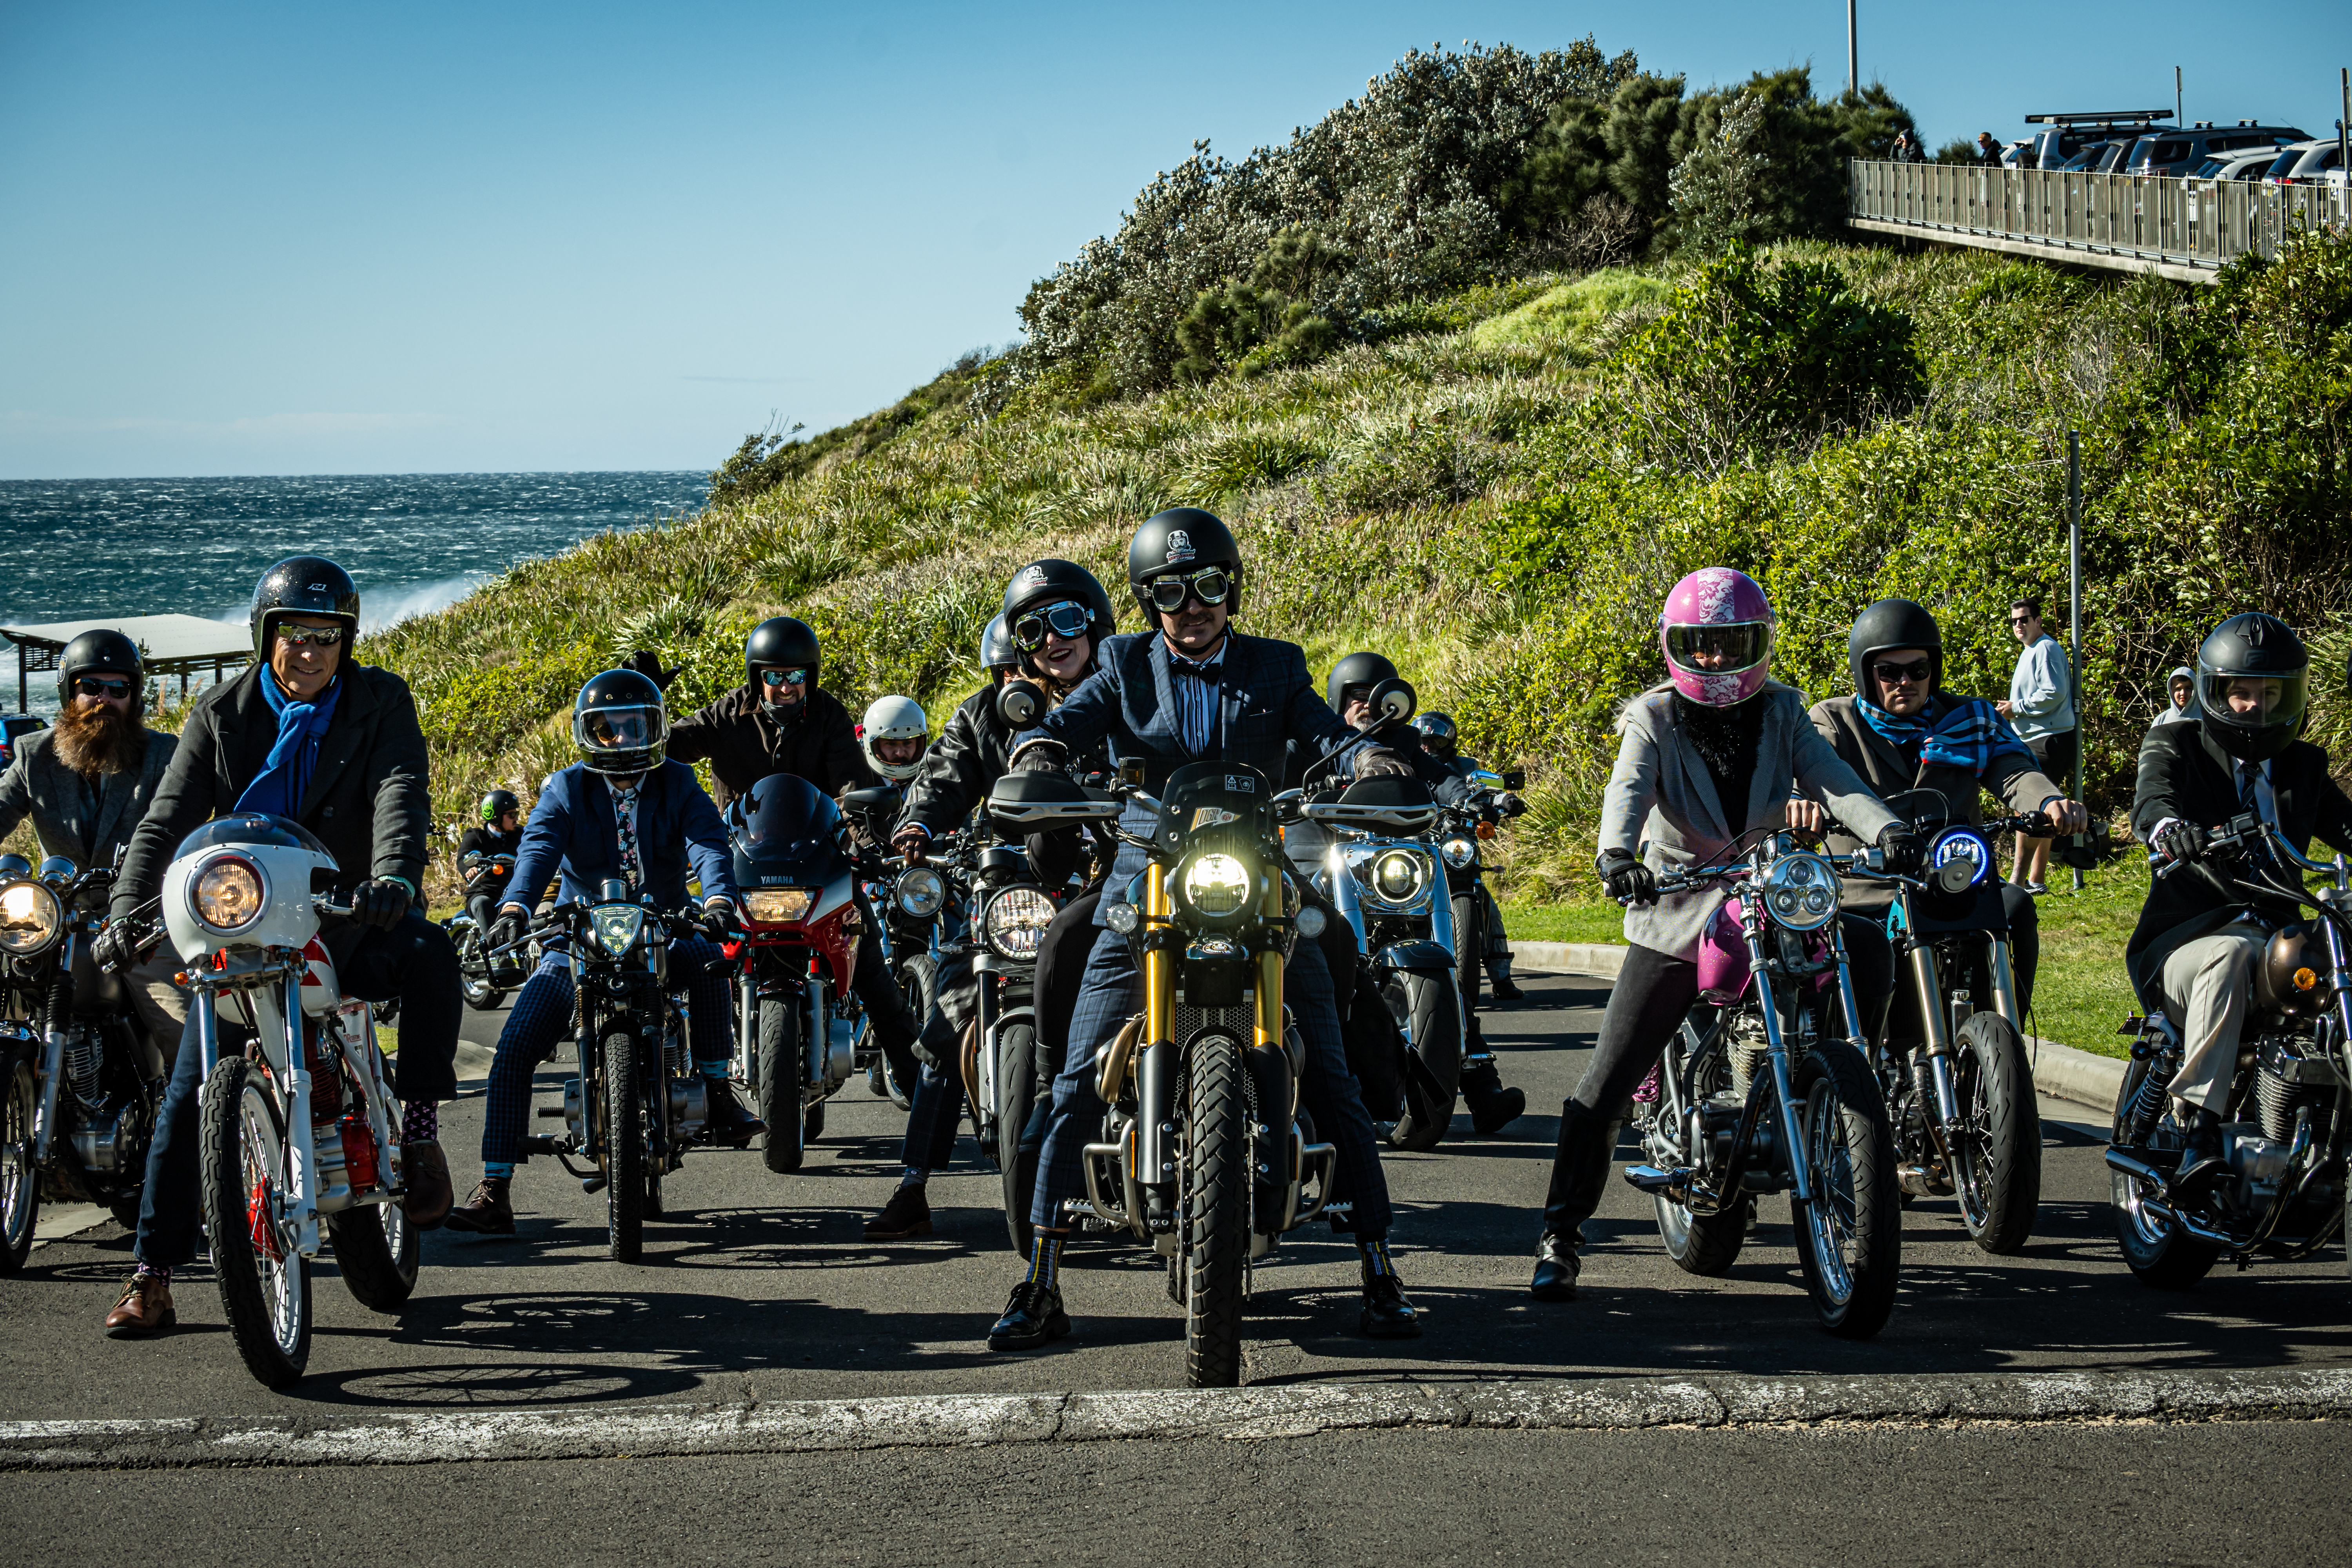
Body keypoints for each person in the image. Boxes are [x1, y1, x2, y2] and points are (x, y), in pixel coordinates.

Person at [985, 508, 1425, 1352]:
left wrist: (1370, 759)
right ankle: (1038, 1279)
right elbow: (1068, 721)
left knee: (1332, 1075)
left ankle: (1379, 1266)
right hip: (1144, 878)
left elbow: (1325, 735)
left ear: (1233, 589)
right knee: (1075, 1082)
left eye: (1210, 587)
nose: (1193, 607)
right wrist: (1040, 752)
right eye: (1172, 592)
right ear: (1149, 600)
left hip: (1256, 876)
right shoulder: (1119, 663)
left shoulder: (1276, 664)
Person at [1525, 567, 1914, 1304]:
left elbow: (1834, 780)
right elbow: (1628, 789)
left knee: (1865, 946)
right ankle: (1561, 1234)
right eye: (1699, 646)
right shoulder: (1653, 717)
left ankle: (1831, 1083)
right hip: (1677, 903)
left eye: (1730, 644)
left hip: (1770, 894)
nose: (1715, 661)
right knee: (1609, 1076)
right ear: (1677, 648)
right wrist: (1616, 856)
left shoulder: (1784, 712)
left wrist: (1887, 827)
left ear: (1758, 644)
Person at [93, 557, 460, 1338]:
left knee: (432, 956)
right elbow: (165, 819)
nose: (310, 652)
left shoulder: (380, 701)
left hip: (347, 909)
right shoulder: (220, 714)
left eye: (327, 637)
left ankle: (421, 1136)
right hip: (243, 915)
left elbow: (401, 789)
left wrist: (393, 875)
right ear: (267, 638)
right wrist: (126, 908)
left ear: (346, 643)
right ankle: (152, 1275)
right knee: (193, 1089)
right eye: (295, 634)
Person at [445, 669, 749, 1234]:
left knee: (712, 964)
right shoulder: (565, 788)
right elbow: (536, 851)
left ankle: (717, 1089)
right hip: (577, 940)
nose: (624, 741)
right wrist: (514, 910)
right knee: (513, 1049)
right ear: (590, 735)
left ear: (654, 728)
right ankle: (495, 1186)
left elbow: (708, 842)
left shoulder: (679, 781)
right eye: (609, 730)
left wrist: (719, 901)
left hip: (664, 928)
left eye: (635, 727)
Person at [867, 560, 1118, 1241]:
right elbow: (947, 773)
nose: (1050, 644)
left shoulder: (1127, 691)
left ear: (1094, 620)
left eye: (1066, 621)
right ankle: (915, 1181)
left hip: (1104, 880)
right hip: (1012, 884)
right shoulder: (989, 713)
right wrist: (918, 820)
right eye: (1033, 631)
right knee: (951, 1010)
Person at [2131, 613, 2352, 1193]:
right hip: (2188, 938)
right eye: (2243, 693)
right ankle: (2202, 1132)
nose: (2256, 706)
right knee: (2230, 953)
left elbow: (2346, 825)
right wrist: (2169, 830)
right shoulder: (2175, 742)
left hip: (2277, 942)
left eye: (2270, 693)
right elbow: (2153, 799)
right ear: (2217, 693)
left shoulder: (2304, 765)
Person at [1805, 598, 2089, 1034]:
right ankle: (1857, 1059)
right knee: (1853, 957)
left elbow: (2015, 769)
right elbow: (1810, 767)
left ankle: (2003, 1038)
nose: (1906, 682)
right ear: (1867, 675)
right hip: (1868, 892)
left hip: (1954, 885)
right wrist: (1799, 801)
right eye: (1889, 672)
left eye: (1918, 670)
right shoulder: (1834, 721)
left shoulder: (1968, 720)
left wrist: (2050, 802)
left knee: (2014, 906)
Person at [664, 616, 922, 1084]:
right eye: (776, 677)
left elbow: (848, 787)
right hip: (741, 861)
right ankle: (701, 1082)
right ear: (757, 676)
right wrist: (648, 703)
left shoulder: (829, 716)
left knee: (869, 969)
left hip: (816, 860)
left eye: (797, 676)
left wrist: (866, 843)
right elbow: (673, 743)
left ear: (812, 676)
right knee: (694, 961)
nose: (786, 687)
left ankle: (923, 1090)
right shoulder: (728, 714)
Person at [1296, 658, 1528, 1138]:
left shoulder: (1402, 743)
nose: (1368, 704)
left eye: (1377, 694)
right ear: (1340, 699)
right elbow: (1284, 777)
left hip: (1392, 870)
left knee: (1438, 971)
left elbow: (1439, 774)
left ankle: (1482, 1092)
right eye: (1358, 695)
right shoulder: (1313, 743)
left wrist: (1471, 796)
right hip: (1324, 858)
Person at [0, 630, 187, 1053]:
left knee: (182, 1031)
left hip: (142, 928)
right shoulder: (35, 755)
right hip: (52, 926)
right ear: (70, 693)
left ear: (134, 696)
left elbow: (185, 823)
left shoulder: (163, 755)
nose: (104, 699)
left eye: (118, 688)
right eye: (91, 687)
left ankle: (197, 1114)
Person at [1413, 710, 1525, 1002]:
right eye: (1423, 742)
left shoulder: (1464, 768)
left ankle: (1502, 978)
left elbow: (1485, 790)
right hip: (1418, 848)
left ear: (1448, 743)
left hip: (1456, 846)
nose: (1428, 748)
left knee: (1486, 904)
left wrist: (1505, 800)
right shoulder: (1407, 766)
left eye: (1435, 743)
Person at [1996, 598, 2076, 894]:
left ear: (2038, 621)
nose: (2019, 625)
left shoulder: (2046, 648)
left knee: (2028, 808)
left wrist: (2016, 708)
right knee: (2043, 810)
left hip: (2050, 738)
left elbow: (2053, 693)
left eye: (2024, 619)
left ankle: (2018, 881)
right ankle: (2035, 881)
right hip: (2038, 738)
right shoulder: (2030, 651)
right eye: (2014, 621)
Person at [858, 695, 931, 783]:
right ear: (873, 746)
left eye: (908, 743)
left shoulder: (934, 783)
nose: (900, 753)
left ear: (920, 743)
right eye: (890, 744)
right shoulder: (858, 785)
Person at [2152, 666, 2196, 730]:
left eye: (2188, 688)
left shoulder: (2205, 720)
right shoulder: (2161, 720)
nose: (2183, 693)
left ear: (2195, 690)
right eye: (2178, 689)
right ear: (2171, 691)